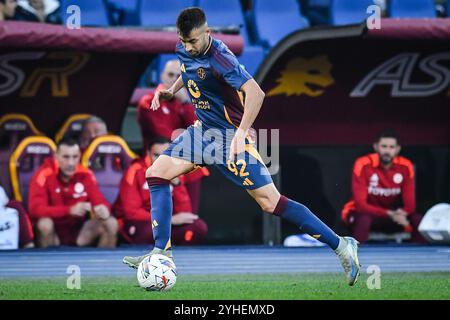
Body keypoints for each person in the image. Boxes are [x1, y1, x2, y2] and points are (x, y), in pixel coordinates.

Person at [123, 7, 361, 286]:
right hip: (201, 133)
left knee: (270, 202)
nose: (188, 47)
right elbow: (189, 70)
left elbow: (256, 93)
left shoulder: (221, 57)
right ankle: (161, 252)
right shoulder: (185, 46)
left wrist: (241, 133)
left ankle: (342, 245)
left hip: (229, 138)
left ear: (207, 33)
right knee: (156, 174)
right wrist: (171, 90)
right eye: (184, 41)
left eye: (193, 42)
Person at [138, 59, 209, 213]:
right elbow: (165, 136)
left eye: (179, 76)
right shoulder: (149, 102)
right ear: (162, 76)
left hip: (187, 166)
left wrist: (185, 102)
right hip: (159, 163)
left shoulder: (185, 103)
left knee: (189, 217)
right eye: (170, 74)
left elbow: (201, 131)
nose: (173, 79)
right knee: (161, 216)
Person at [114, 136, 208, 245]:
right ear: (148, 153)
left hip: (167, 223)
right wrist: (169, 220)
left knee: (198, 227)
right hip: (141, 223)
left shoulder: (175, 169)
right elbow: (131, 212)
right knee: (150, 231)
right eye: (156, 155)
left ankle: (181, 258)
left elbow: (184, 211)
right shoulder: (135, 170)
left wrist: (177, 185)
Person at [28, 138, 118, 248]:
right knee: (44, 224)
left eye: (74, 157)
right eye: (66, 157)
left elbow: (99, 201)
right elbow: (35, 210)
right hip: (53, 233)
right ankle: (47, 263)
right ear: (56, 157)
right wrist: (69, 210)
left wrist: (104, 209)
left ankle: (104, 264)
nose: (71, 163)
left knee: (111, 222)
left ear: (79, 156)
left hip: (80, 232)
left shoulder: (86, 175)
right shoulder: (43, 175)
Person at [342, 130, 426, 244]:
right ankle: (354, 256)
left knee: (418, 220)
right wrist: (389, 214)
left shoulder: (406, 165)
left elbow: (410, 205)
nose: (387, 151)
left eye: (391, 147)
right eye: (384, 146)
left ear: (398, 149)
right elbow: (361, 205)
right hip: (367, 215)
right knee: (364, 220)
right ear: (376, 147)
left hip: (395, 217)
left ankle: (418, 257)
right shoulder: (362, 164)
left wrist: (401, 215)